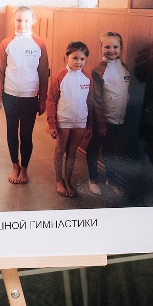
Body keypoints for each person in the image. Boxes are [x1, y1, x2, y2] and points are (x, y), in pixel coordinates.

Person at [0, 6, 50, 185]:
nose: (22, 24)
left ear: (33, 21)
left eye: (26, 20)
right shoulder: (6, 43)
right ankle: (15, 166)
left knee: (26, 134)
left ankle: (24, 168)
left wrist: (42, 101)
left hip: (30, 97)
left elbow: (43, 74)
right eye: (18, 20)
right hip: (10, 95)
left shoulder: (39, 44)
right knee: (11, 132)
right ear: (14, 21)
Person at [46, 41, 94, 198]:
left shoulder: (88, 78)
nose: (79, 62)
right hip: (63, 121)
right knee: (60, 150)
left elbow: (90, 102)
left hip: (80, 122)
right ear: (66, 57)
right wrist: (52, 125)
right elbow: (51, 101)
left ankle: (68, 180)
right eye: (75, 58)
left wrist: (89, 125)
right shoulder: (59, 77)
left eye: (82, 59)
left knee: (72, 152)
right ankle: (59, 180)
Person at [87, 31, 132, 194]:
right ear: (101, 48)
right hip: (103, 121)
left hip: (118, 120)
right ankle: (93, 179)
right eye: (107, 47)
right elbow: (97, 100)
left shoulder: (125, 69)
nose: (111, 50)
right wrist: (100, 124)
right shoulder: (98, 70)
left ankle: (111, 179)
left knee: (111, 150)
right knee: (94, 148)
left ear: (121, 48)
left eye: (115, 47)